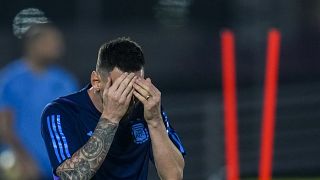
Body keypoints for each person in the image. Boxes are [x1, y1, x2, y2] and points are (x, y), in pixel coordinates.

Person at [41, 37, 186, 180]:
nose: (129, 98)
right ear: (96, 81)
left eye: (135, 88)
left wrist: (155, 121)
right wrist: (110, 117)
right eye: (120, 88)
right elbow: (70, 176)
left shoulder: (146, 106)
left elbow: (174, 176)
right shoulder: (61, 113)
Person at [0, 8, 78, 179]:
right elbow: (4, 126)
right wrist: (23, 158)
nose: (59, 47)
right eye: (52, 41)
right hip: (23, 169)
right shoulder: (11, 79)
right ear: (33, 44)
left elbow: (74, 123)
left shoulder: (65, 80)